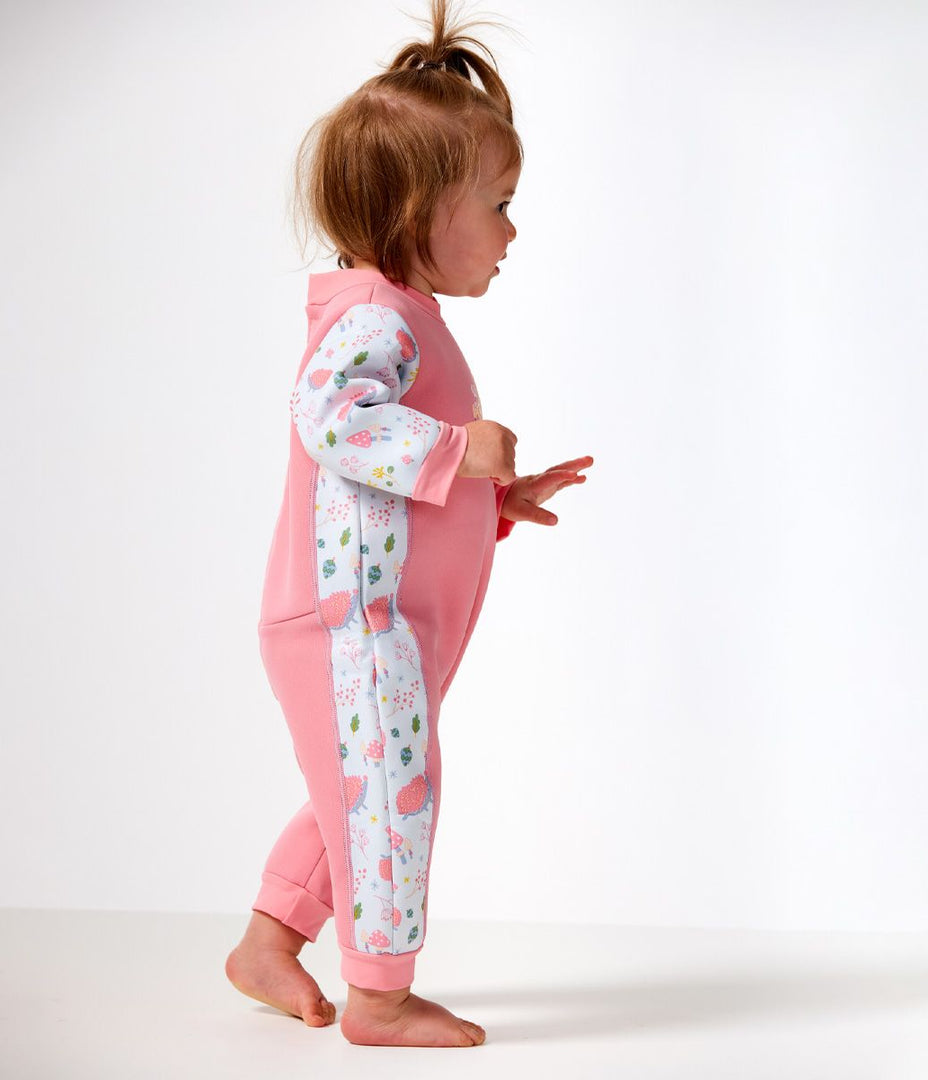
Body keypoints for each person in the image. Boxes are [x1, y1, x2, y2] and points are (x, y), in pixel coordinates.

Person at [224, 0, 592, 1048]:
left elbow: (383, 472)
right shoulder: (376, 315)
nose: (514, 230)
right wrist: (456, 449)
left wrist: (493, 494)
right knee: (391, 792)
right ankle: (378, 997)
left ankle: (267, 940)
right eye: (502, 204)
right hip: (352, 620)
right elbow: (333, 418)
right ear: (423, 210)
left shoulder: (404, 316)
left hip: (388, 622)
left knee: (363, 782)